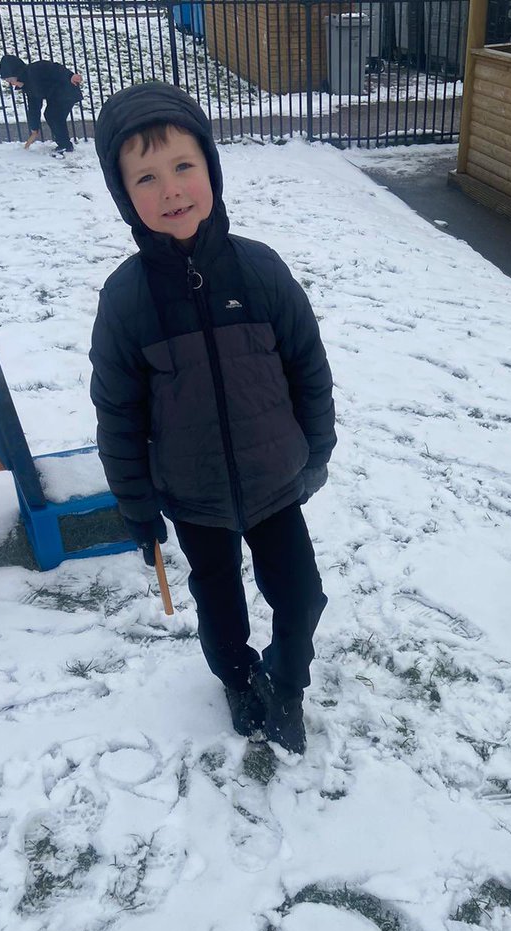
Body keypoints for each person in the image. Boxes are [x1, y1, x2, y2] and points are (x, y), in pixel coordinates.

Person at [89, 83, 335, 755]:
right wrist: (136, 504)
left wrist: (316, 449)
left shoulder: (260, 272)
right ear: (125, 195)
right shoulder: (127, 301)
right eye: (146, 176)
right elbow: (117, 412)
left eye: (183, 166)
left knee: (302, 597)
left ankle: (286, 682)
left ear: (210, 170)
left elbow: (308, 365)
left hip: (274, 480)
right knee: (220, 607)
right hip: (194, 496)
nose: (170, 190)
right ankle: (237, 677)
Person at [0, 54, 82, 155]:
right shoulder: (27, 85)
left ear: (17, 73)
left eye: (11, 80)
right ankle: (64, 145)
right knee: (52, 115)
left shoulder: (35, 69)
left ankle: (65, 146)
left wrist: (70, 76)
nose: (11, 84)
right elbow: (34, 107)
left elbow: (56, 69)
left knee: (54, 115)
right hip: (56, 96)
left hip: (67, 89)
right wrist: (34, 127)